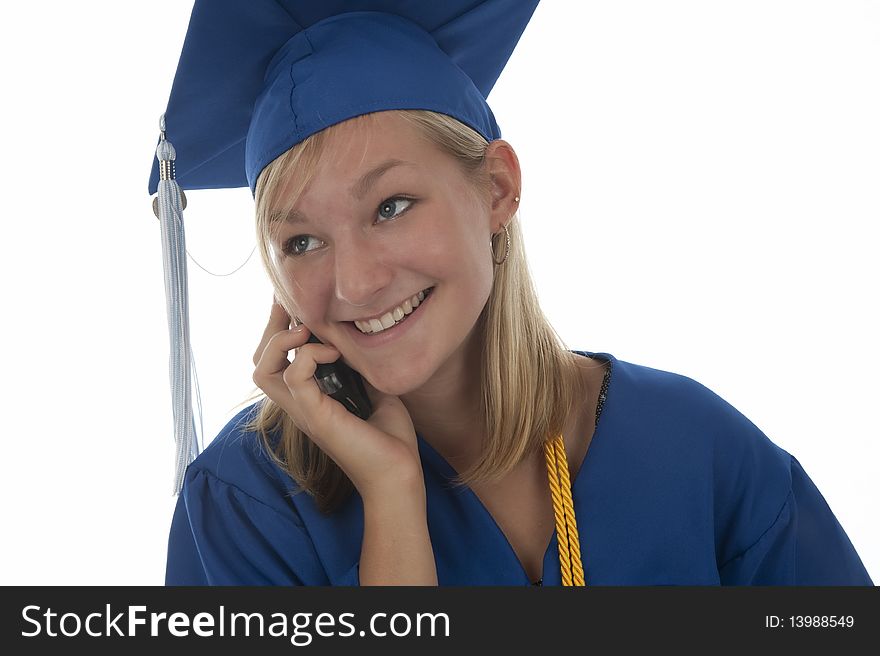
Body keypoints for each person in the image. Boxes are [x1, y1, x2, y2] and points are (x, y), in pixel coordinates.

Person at [153, 1, 873, 586]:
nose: (356, 283)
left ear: (496, 189)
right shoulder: (243, 510)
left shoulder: (699, 452)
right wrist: (392, 497)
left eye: (392, 206)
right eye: (301, 242)